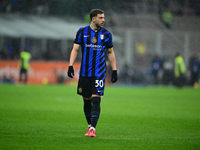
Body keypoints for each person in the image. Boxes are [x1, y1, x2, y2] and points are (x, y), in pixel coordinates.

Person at [67, 9, 118, 137]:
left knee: (96, 100)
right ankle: (90, 125)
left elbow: (110, 52)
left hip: (99, 72)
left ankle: (92, 129)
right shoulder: (82, 32)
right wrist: (70, 65)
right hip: (84, 73)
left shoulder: (107, 35)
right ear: (93, 19)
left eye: (104, 17)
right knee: (86, 101)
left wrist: (115, 70)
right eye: (100, 18)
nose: (103, 20)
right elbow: (75, 49)